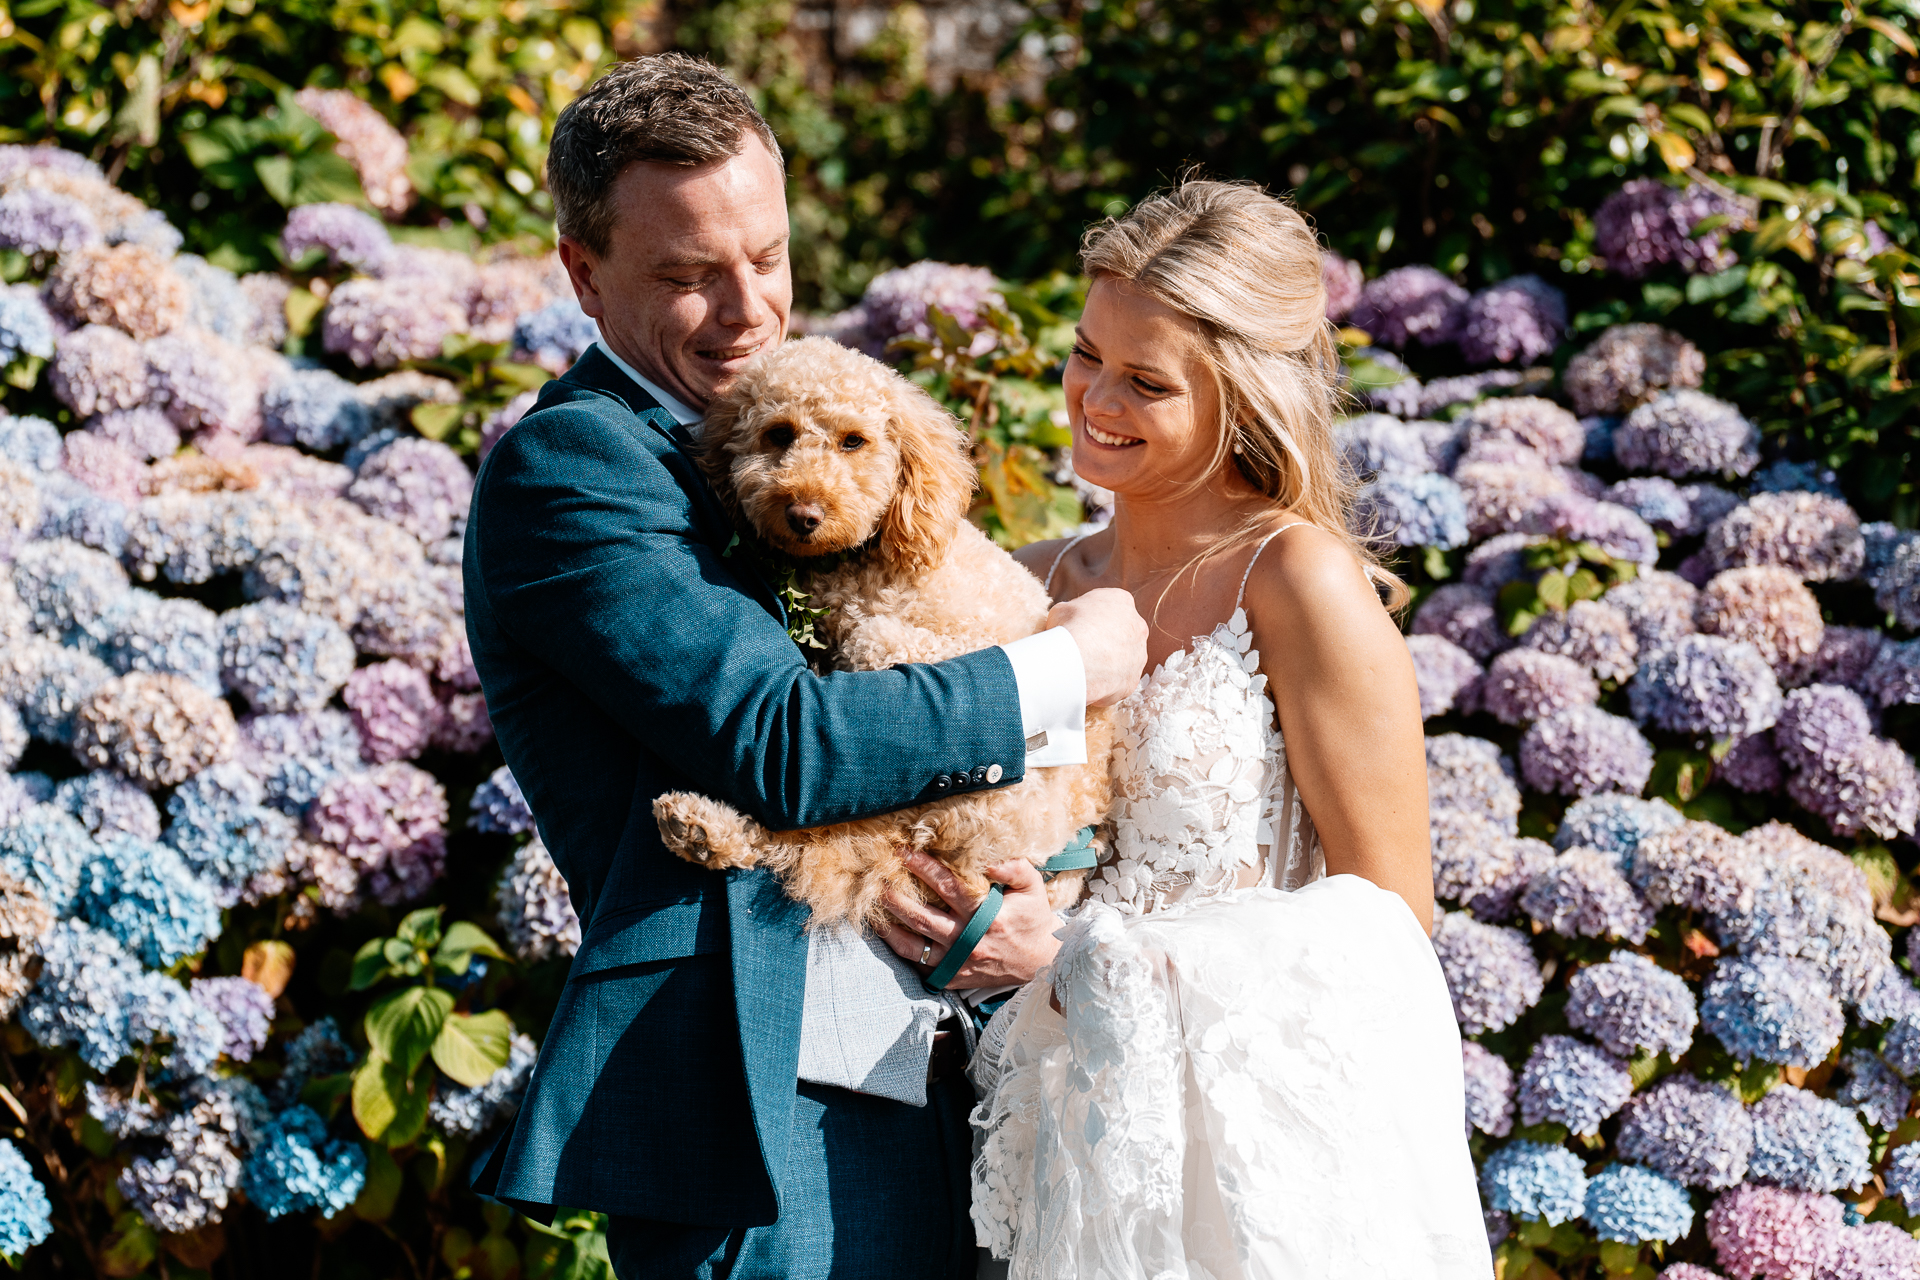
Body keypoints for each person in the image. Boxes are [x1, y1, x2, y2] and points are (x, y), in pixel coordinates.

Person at [461, 54, 1148, 1280]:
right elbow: (790, 742)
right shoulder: (574, 472)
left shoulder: (764, 424)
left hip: (948, 1061)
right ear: (583, 273)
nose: (747, 311)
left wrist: (1028, 881)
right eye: (686, 275)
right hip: (762, 1095)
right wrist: (1064, 667)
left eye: (766, 258)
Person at [894, 180, 1494, 1277]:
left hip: (1238, 1181)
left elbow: (1391, 927)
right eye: (1086, 354)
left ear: (1243, 396)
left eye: (1146, 380)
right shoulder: (1031, 584)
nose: (1093, 398)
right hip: (1042, 1147)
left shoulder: (1299, 578)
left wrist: (1080, 958)